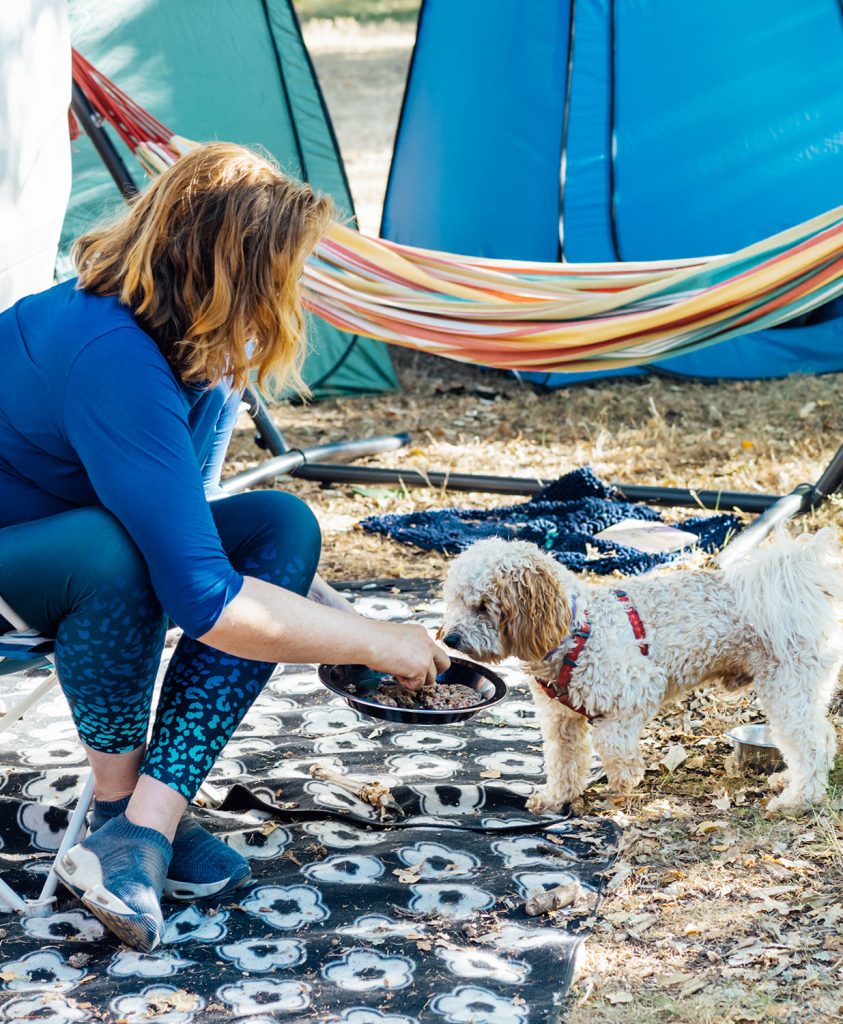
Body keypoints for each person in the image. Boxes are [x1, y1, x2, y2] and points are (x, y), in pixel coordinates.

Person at [0, 142, 449, 952]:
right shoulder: (112, 353)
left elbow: (190, 525)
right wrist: (376, 644)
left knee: (281, 524)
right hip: (25, 560)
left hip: (44, 545)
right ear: (235, 271)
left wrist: (343, 620)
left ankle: (144, 828)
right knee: (112, 554)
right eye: (289, 271)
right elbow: (208, 603)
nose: (297, 293)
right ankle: (113, 807)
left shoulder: (193, 349)